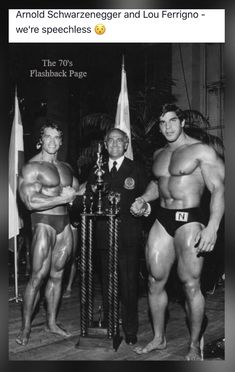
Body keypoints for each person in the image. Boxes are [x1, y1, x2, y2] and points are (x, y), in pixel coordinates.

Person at [130, 104, 224, 360]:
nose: (167, 127)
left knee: (191, 284)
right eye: (162, 123)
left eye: (172, 121)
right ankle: (159, 339)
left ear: (182, 122)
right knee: (153, 280)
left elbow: (218, 189)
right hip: (162, 219)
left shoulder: (201, 150)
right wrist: (143, 199)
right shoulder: (160, 153)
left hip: (190, 220)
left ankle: (194, 345)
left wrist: (213, 227)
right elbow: (157, 184)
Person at [16, 122, 78, 346]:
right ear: (41, 139)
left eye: (56, 137)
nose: (52, 142)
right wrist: (62, 198)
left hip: (64, 224)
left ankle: (51, 322)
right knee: (37, 276)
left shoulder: (66, 167)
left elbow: (76, 193)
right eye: (48, 137)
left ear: (61, 141)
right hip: (43, 223)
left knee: (57, 275)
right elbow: (30, 201)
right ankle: (25, 328)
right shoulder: (32, 167)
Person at [86, 128, 148, 345]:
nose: (114, 144)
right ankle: (111, 327)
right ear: (104, 144)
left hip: (128, 238)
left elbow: (147, 198)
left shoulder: (136, 169)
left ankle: (130, 330)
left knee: (129, 286)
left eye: (118, 140)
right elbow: (89, 200)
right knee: (107, 284)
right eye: (110, 140)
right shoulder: (97, 170)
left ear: (126, 143)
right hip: (104, 238)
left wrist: (144, 206)